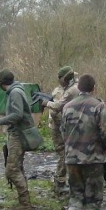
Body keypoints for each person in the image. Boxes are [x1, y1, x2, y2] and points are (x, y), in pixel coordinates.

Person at [61, 74, 106, 210]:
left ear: (79, 88)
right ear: (94, 88)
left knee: (76, 195)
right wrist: (102, 148)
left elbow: (63, 132)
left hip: (71, 159)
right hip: (93, 160)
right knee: (93, 198)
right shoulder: (99, 106)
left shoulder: (67, 107)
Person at [0, 69, 35, 210]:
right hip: (18, 134)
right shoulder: (17, 90)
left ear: (1, 83)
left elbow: (17, 114)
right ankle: (24, 201)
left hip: (18, 135)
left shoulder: (15, 93)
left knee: (11, 170)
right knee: (17, 167)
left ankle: (25, 204)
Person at [42, 66, 79, 197]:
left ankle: (65, 182)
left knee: (69, 154)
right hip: (57, 126)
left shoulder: (74, 89)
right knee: (63, 153)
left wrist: (46, 103)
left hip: (69, 126)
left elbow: (59, 106)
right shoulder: (58, 90)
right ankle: (60, 182)